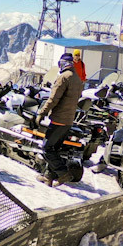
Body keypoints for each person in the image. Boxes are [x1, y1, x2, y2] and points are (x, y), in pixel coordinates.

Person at [36, 52, 84, 186]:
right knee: (55, 149)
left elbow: (53, 99)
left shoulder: (63, 77)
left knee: (47, 148)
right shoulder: (77, 78)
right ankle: (48, 176)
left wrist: (42, 112)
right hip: (68, 120)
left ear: (62, 64)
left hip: (58, 119)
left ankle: (63, 174)